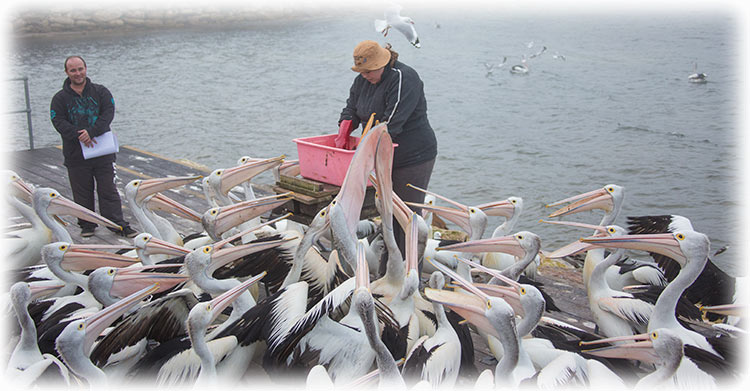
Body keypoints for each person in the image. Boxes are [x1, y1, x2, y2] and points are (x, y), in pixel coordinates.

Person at [339, 40, 438, 276]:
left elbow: (390, 123)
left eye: (369, 70)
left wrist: (364, 151)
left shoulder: (404, 78)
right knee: (387, 218)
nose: (365, 76)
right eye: (361, 71)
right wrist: (345, 126)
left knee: (406, 219)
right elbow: (351, 107)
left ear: (383, 63)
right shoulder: (362, 80)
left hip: (412, 156)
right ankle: (386, 275)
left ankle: (408, 278)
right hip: (381, 156)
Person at [50, 55, 137, 238]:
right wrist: (79, 135)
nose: (78, 73)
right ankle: (87, 224)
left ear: (86, 69)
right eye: (73, 70)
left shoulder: (101, 92)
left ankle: (117, 224)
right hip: (75, 154)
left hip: (102, 151)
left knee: (108, 190)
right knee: (82, 191)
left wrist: (92, 132)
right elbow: (57, 120)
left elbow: (108, 113)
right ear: (67, 72)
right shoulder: (59, 98)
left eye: (80, 69)